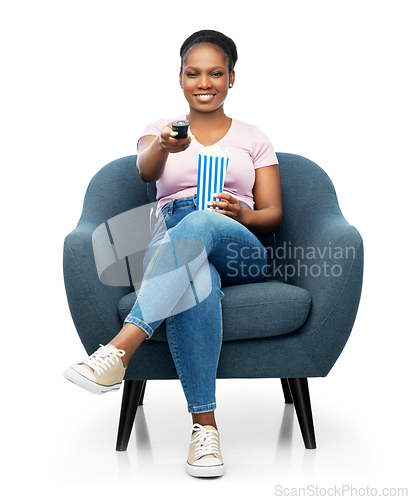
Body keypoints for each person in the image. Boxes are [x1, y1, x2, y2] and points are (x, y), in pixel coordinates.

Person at [64, 29, 282, 478]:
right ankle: (206, 430)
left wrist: (241, 214)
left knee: (200, 220)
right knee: (195, 279)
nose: (205, 82)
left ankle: (120, 350)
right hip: (175, 240)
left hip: (240, 246)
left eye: (216, 73)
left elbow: (273, 213)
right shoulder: (157, 132)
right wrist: (165, 144)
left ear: (232, 78)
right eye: (194, 73)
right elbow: (144, 167)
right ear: (180, 78)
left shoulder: (254, 137)